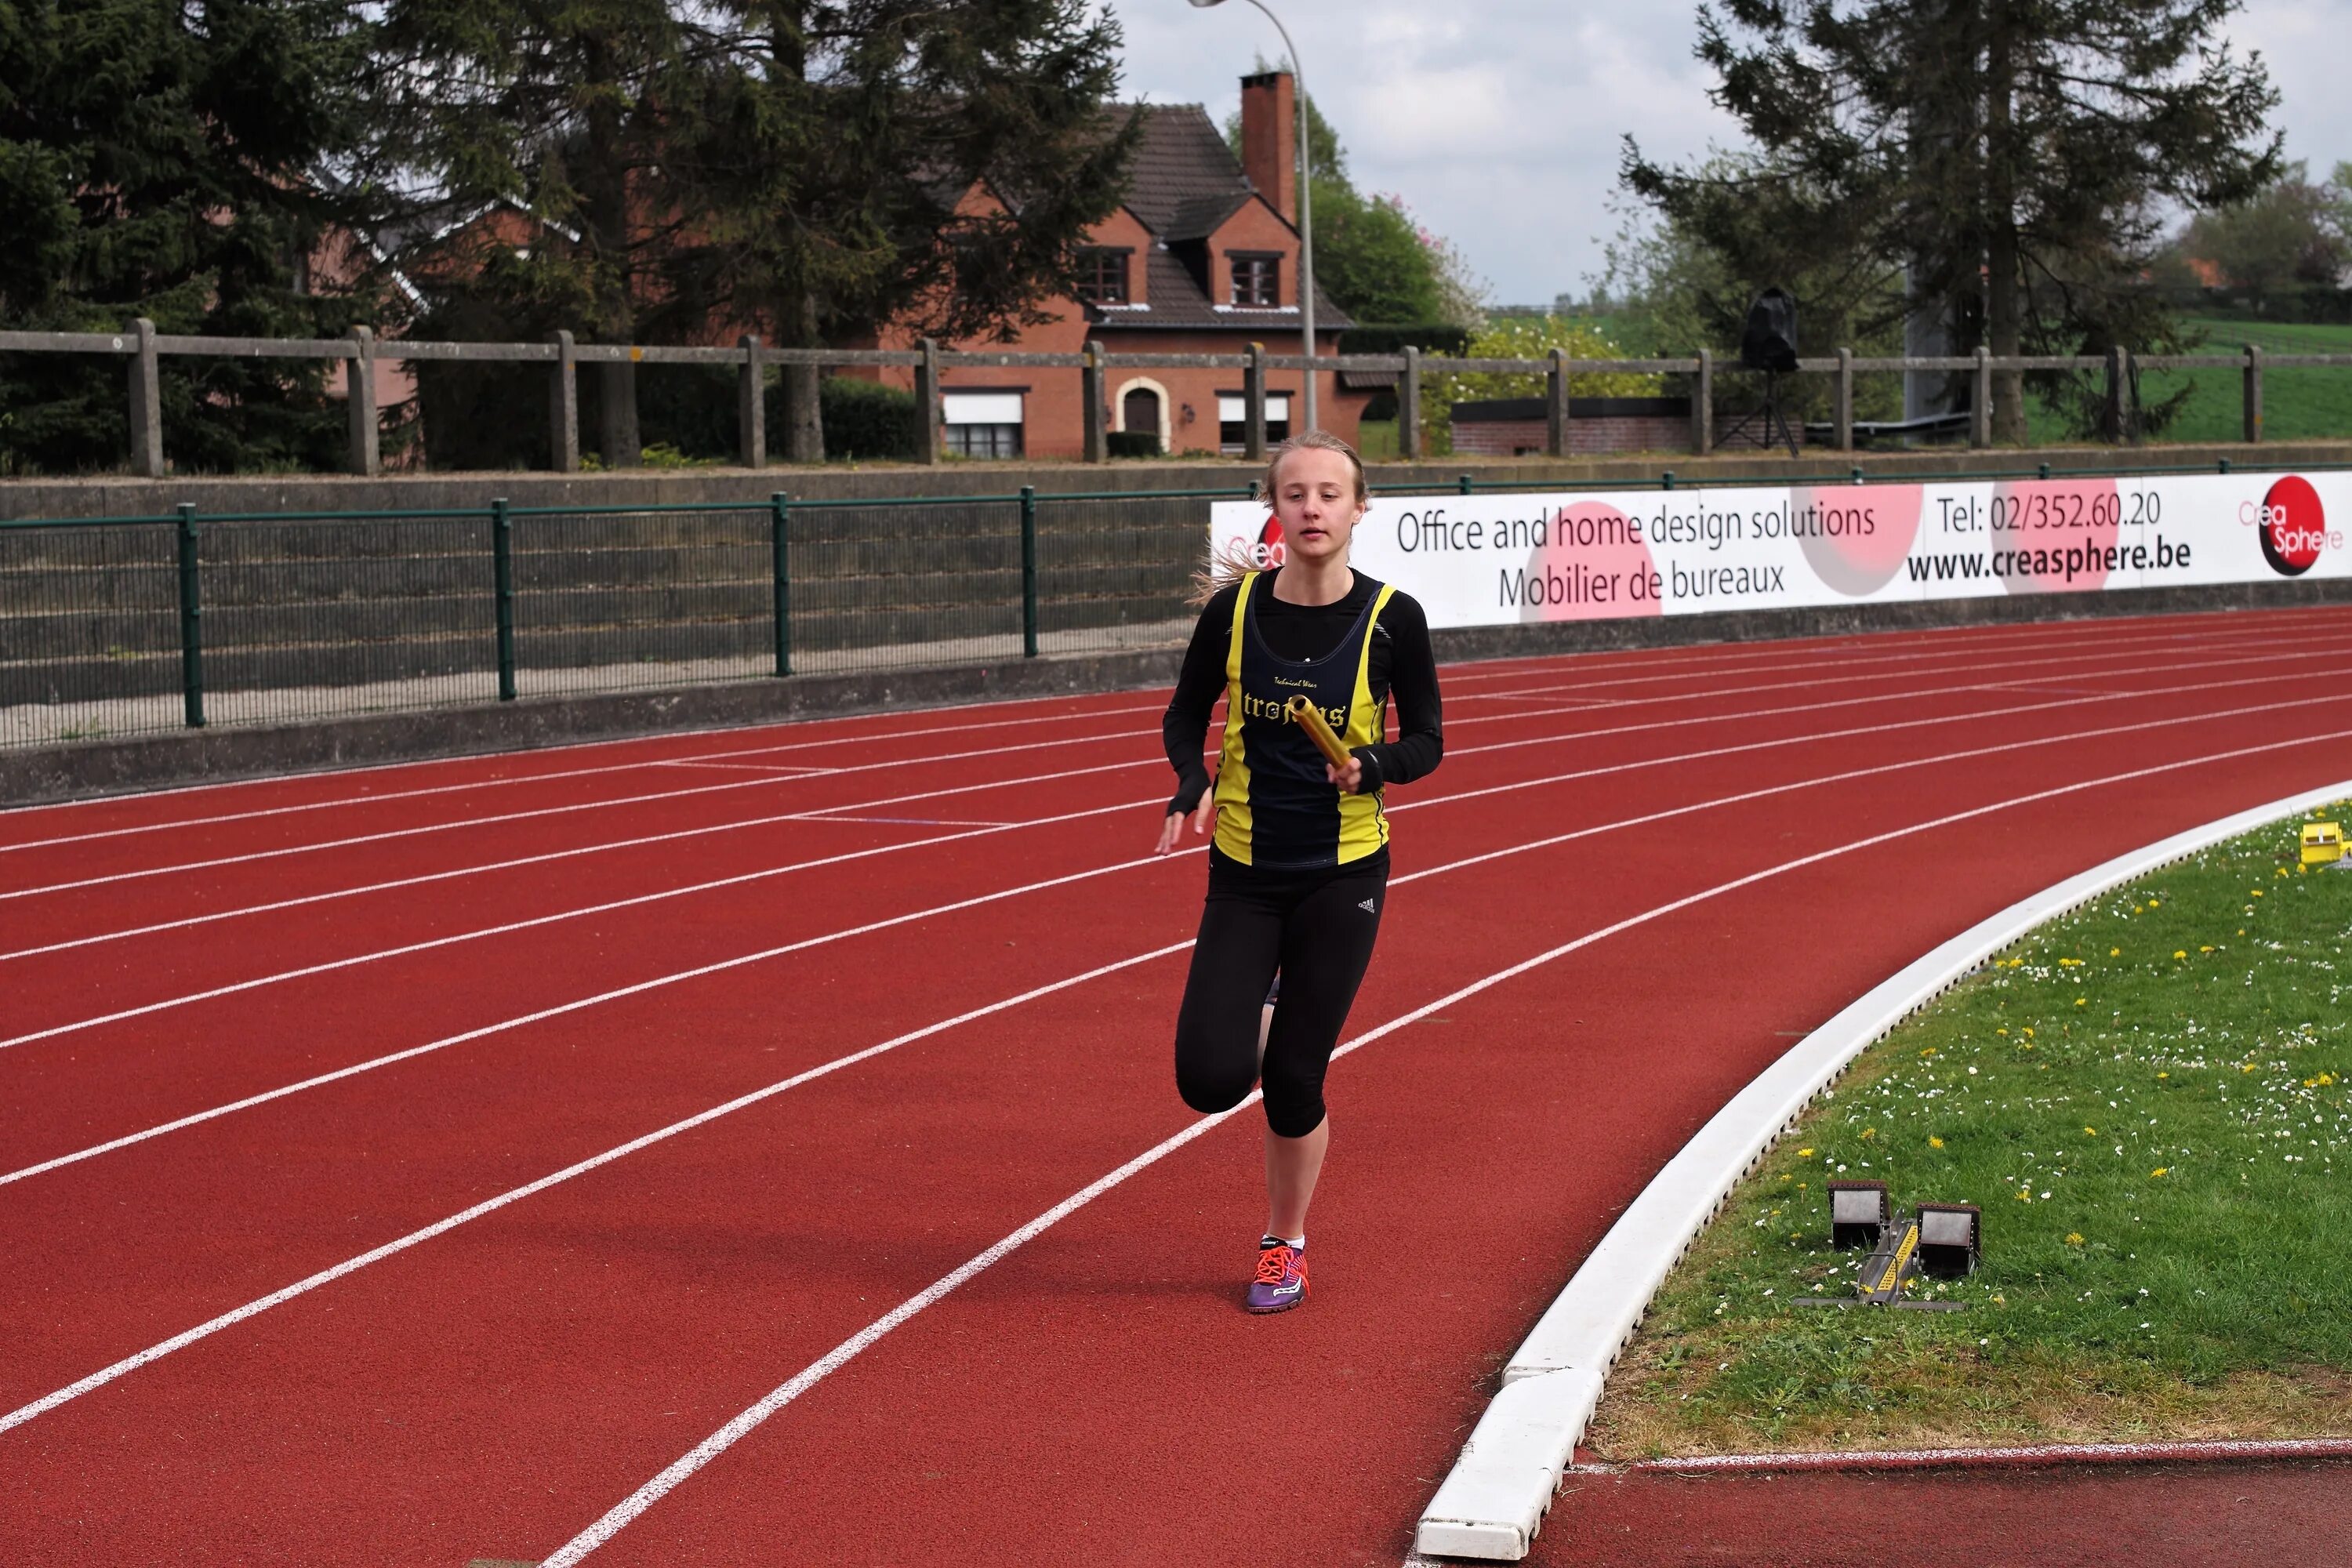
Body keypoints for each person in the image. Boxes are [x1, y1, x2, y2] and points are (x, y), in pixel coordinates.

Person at [1156, 430, 1444, 1312]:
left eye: (1330, 493)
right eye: (1295, 493)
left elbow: (1428, 741)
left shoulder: (1395, 616)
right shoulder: (1233, 614)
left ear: (1360, 508)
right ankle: (1267, 997)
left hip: (1342, 873)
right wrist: (1191, 779)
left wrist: (1375, 765)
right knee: (1207, 1080)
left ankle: (1285, 1240)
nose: (1312, 507)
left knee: (1293, 1078)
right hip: (1245, 869)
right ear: (1274, 509)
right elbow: (1182, 715)